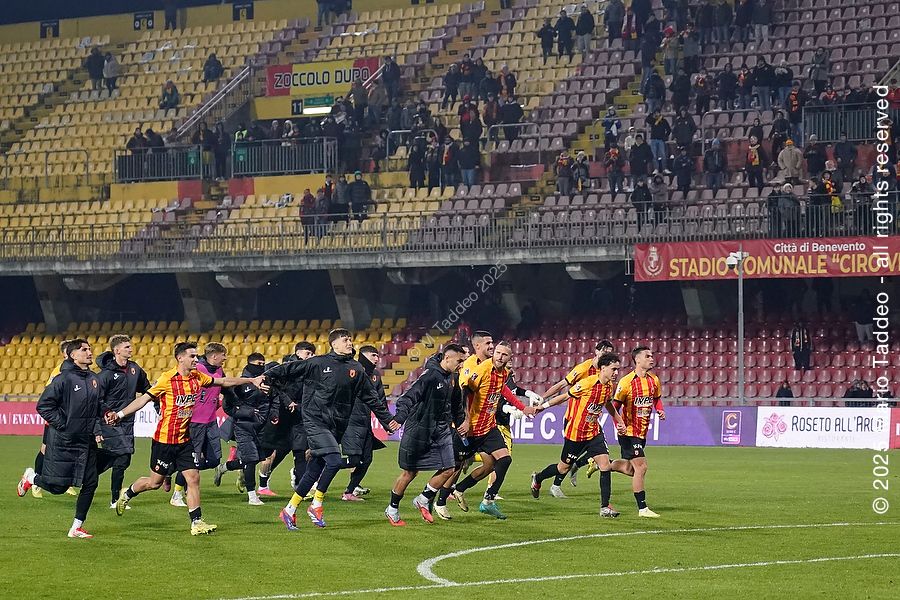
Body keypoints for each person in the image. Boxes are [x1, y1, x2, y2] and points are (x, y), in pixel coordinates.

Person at [106, 342, 264, 535]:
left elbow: (223, 381)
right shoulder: (167, 379)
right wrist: (120, 414)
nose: (196, 359)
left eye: (196, 356)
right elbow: (143, 400)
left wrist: (251, 380)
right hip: (164, 441)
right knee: (154, 483)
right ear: (180, 358)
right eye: (192, 356)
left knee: (193, 478)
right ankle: (128, 492)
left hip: (184, 439)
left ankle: (197, 522)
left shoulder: (197, 376)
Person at [267, 329, 399, 531]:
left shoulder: (356, 368)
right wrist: (264, 377)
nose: (349, 342)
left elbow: (371, 397)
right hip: (315, 420)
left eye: (350, 339)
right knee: (335, 460)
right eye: (345, 340)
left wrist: (387, 420)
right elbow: (288, 369)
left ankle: (289, 509)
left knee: (315, 469)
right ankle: (316, 504)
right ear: (334, 344)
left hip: (337, 424)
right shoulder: (317, 363)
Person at [441, 342, 537, 520]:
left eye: (504, 354)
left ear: (510, 358)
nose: (500, 356)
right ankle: (439, 501)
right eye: (498, 352)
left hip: (488, 428)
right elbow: (465, 391)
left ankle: (485, 500)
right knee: (455, 467)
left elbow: (504, 390)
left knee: (502, 460)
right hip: (471, 429)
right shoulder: (483, 369)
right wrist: (466, 420)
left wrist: (523, 407)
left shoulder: (504, 373)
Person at [17, 340, 102, 538]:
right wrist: (64, 424)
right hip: (64, 440)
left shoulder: (94, 379)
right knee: (58, 487)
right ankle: (32, 478)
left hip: (86, 440)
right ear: (73, 355)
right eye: (84, 350)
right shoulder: (63, 379)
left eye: (89, 349)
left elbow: (97, 406)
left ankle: (76, 527)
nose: (89, 352)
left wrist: (101, 420)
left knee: (91, 482)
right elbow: (43, 405)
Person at [531, 353, 627, 517]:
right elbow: (564, 396)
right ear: (603, 368)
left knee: (605, 465)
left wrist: (619, 420)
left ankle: (605, 507)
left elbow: (608, 404)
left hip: (594, 432)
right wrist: (543, 407)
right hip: (575, 434)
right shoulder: (587, 383)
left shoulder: (609, 386)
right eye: (614, 369)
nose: (616, 373)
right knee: (562, 468)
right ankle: (538, 478)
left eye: (618, 369)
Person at [386, 345, 467, 526]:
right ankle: (392, 508)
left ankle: (423, 499)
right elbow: (408, 398)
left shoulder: (454, 377)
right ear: (447, 358)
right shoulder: (430, 375)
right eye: (459, 361)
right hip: (419, 429)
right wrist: (399, 418)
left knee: (450, 468)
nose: (461, 364)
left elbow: (456, 404)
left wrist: (461, 423)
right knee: (410, 472)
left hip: (441, 430)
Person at [540, 340, 616, 488]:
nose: (606, 356)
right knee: (566, 462)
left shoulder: (607, 375)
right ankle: (554, 483)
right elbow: (562, 385)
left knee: (600, 452)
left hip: (591, 420)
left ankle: (575, 468)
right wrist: (542, 399)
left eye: (609, 354)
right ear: (596, 351)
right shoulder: (583, 369)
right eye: (604, 352)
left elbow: (604, 398)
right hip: (573, 419)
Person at [94, 335, 151, 511]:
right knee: (122, 458)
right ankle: (115, 499)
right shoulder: (105, 375)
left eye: (130, 346)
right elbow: (95, 401)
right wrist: (98, 427)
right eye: (127, 347)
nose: (130, 349)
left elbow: (147, 389)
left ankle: (82, 473)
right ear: (117, 350)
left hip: (127, 421)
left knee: (119, 460)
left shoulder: (134, 369)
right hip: (110, 422)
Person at [610, 347, 665, 518]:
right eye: (647, 356)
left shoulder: (654, 380)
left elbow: (656, 399)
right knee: (641, 467)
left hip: (642, 432)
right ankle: (643, 508)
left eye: (652, 355)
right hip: (628, 431)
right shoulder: (626, 382)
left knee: (631, 470)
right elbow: (614, 407)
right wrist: (618, 425)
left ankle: (602, 464)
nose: (651, 358)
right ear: (638, 360)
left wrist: (660, 410)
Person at [170, 343, 228, 507]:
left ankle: (173, 468)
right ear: (214, 356)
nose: (225, 358)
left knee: (214, 460)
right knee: (191, 461)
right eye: (223, 355)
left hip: (211, 422)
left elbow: (225, 387)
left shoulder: (219, 370)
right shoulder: (197, 369)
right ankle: (177, 494)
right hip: (194, 423)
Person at [256, 343, 316, 498]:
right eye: (308, 353)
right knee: (269, 453)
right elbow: (272, 384)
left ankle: (301, 489)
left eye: (312, 354)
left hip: (299, 417)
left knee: (301, 452)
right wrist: (287, 400)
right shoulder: (284, 369)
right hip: (280, 417)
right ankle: (244, 470)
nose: (311, 356)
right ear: (298, 353)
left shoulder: (311, 371)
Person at [214, 359, 275, 506]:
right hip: (243, 427)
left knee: (258, 457)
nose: (261, 366)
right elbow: (227, 407)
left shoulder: (266, 382)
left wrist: (273, 414)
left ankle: (225, 467)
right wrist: (247, 412)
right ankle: (252, 496)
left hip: (261, 427)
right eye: (258, 364)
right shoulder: (239, 385)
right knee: (251, 459)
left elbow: (271, 402)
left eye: (263, 364)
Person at [335, 345, 389, 502]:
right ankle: (320, 467)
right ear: (364, 356)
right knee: (354, 460)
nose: (376, 359)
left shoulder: (375, 375)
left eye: (377, 356)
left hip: (365, 424)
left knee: (366, 460)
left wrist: (388, 423)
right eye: (373, 355)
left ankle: (349, 492)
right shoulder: (351, 371)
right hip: (350, 422)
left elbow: (380, 401)